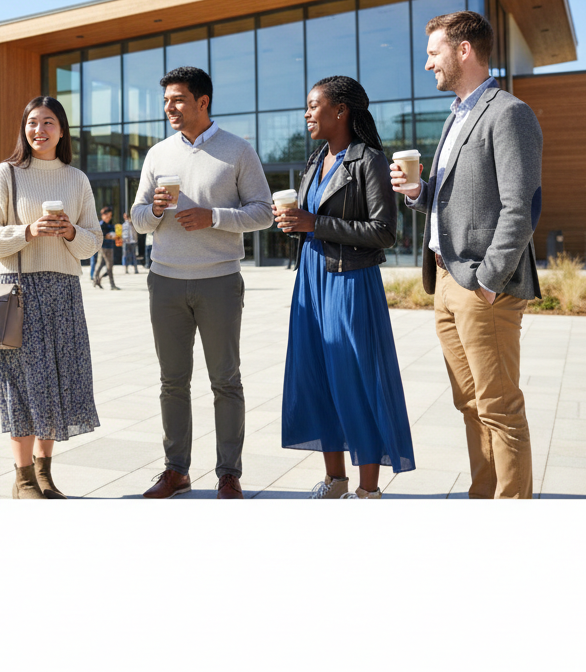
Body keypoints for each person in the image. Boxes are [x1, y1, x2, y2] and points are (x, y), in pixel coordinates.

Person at [391, 10, 542, 499]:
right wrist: (418, 192)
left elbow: (520, 207)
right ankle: (483, 498)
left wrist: (489, 278)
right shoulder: (457, 115)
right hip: (444, 281)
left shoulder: (508, 113)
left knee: (499, 406)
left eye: (434, 52)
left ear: (463, 50)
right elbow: (457, 196)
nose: (428, 63)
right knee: (471, 404)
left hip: (481, 287)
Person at [131, 66, 273, 499]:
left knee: (225, 381)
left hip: (219, 282)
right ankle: (177, 470)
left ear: (202, 102)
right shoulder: (157, 155)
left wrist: (215, 217)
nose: (169, 108)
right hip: (166, 282)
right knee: (172, 382)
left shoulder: (238, 151)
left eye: (177, 100)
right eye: (166, 102)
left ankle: (229, 474)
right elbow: (137, 221)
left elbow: (264, 212)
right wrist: (154, 209)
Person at [275, 76, 415, 499]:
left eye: (314, 105)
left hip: (350, 281)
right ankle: (335, 479)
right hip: (312, 279)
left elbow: (384, 231)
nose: (306, 113)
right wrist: (296, 224)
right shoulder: (316, 160)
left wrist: (314, 223)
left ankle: (368, 490)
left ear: (341, 111)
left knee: (355, 379)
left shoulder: (368, 160)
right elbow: (311, 220)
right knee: (315, 377)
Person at [0, 95, 103, 499]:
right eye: (32, 122)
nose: (39, 130)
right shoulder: (5, 174)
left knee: (58, 382)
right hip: (17, 289)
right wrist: (28, 231)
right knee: (24, 385)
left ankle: (45, 474)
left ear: (62, 131)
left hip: (63, 290)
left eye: (48, 122)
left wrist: (68, 232)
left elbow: (92, 241)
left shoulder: (77, 179)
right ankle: (23, 477)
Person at [92, 206, 119, 289]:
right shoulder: (101, 225)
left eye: (110, 216)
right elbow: (101, 236)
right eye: (107, 216)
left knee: (100, 265)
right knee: (109, 266)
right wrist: (110, 237)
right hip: (105, 247)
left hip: (107, 247)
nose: (109, 218)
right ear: (103, 215)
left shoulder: (108, 224)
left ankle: (96, 281)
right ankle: (112, 284)